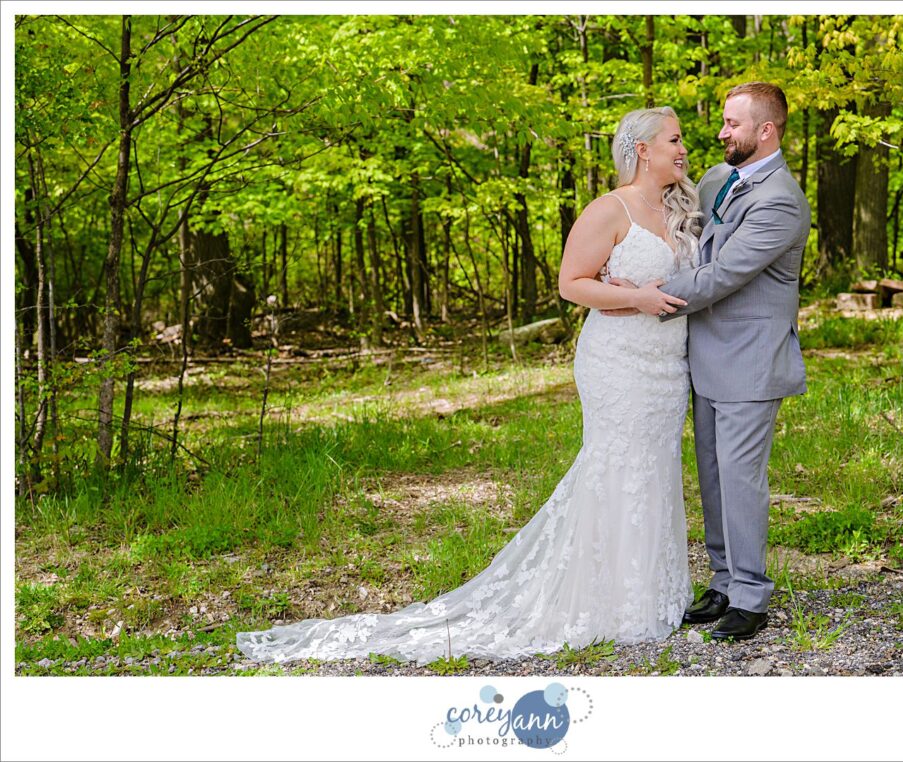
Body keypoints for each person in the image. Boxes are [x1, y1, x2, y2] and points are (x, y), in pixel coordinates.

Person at [235, 106, 702, 664]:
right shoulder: (609, 208)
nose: (683, 149)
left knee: (654, 465)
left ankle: (647, 594)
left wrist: (655, 292)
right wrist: (635, 297)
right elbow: (570, 284)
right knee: (618, 465)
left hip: (666, 367)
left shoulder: (679, 210)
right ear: (642, 148)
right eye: (674, 139)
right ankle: (605, 600)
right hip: (619, 363)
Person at [635, 82, 811, 641]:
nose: (720, 133)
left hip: (750, 364)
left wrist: (644, 294)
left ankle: (752, 597)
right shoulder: (716, 179)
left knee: (740, 480)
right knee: (711, 475)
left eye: (732, 124)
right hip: (705, 356)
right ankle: (724, 581)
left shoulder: (780, 200)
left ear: (766, 131)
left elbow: (722, 275)